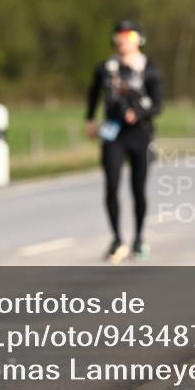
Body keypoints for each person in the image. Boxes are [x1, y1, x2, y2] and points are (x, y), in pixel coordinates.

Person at [85, 20, 163, 262]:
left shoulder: (150, 69)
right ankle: (117, 239)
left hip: (140, 134)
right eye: (118, 34)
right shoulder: (106, 68)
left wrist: (138, 113)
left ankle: (139, 238)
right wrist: (89, 119)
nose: (122, 39)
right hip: (113, 133)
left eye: (127, 35)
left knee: (138, 189)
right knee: (111, 186)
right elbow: (93, 92)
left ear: (138, 39)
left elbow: (159, 104)